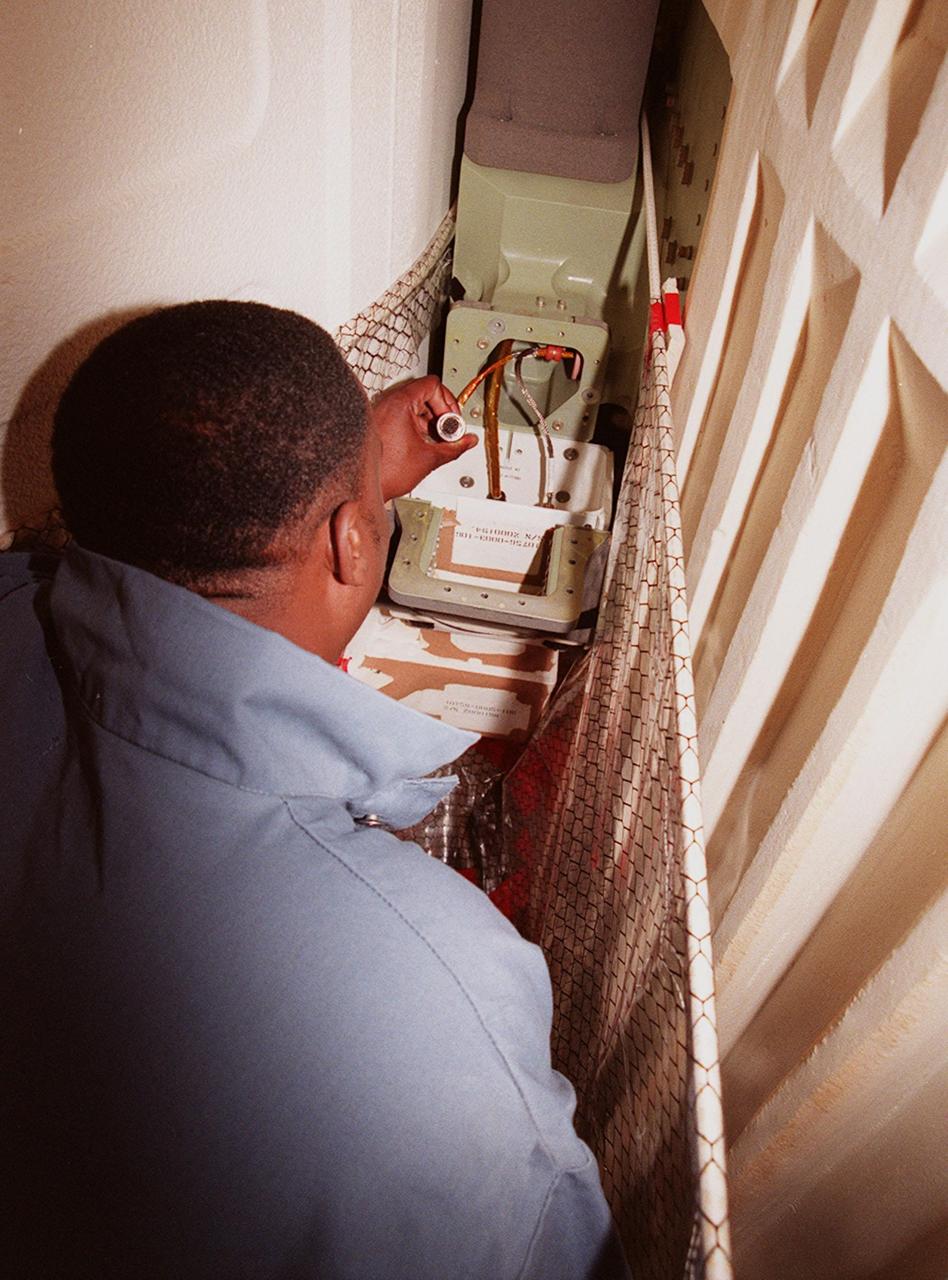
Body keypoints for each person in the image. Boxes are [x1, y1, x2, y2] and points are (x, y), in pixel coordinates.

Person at [0, 301, 630, 1279]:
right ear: (351, 547)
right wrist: (350, 493)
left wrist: (356, 482)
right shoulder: (440, 992)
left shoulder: (15, 606)